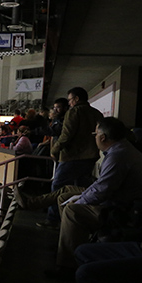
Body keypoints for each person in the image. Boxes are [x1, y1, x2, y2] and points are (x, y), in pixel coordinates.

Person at [45, 117, 142, 276]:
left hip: (127, 213)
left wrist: (80, 201)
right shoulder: (121, 150)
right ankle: (67, 245)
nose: (95, 137)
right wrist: (81, 197)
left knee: (73, 211)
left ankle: (68, 265)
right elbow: (101, 186)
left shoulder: (118, 155)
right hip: (124, 205)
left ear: (103, 137)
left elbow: (102, 191)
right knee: (66, 198)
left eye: (95, 134)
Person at [42, 87, 104, 228]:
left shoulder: (74, 112)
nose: (69, 103)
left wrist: (55, 149)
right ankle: (75, 219)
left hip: (72, 156)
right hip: (90, 157)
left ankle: (53, 219)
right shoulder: (97, 113)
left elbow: (66, 134)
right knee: (80, 188)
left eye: (70, 100)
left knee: (58, 186)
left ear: (76, 99)